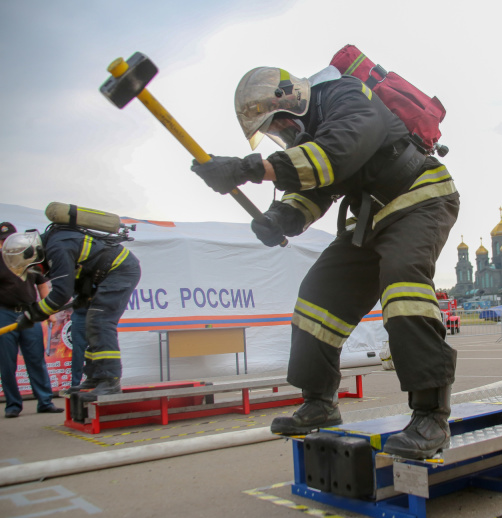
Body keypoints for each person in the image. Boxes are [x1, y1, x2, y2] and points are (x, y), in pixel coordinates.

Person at [191, 65, 459, 459]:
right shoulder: (310, 134)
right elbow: (316, 187)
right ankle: (319, 402)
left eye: (278, 123)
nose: (280, 134)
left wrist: (249, 169)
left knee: (403, 286)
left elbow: (337, 153)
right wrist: (280, 218)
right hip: (369, 218)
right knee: (316, 299)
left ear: (291, 98)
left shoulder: (345, 95)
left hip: (419, 198)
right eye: (272, 131)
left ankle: (431, 416)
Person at [2, 224, 141, 396]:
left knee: (100, 321)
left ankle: (110, 380)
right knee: (92, 323)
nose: (39, 270)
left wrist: (32, 314)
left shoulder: (56, 248)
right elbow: (77, 273)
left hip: (120, 270)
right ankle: (96, 376)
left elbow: (60, 294)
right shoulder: (54, 243)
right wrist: (82, 294)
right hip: (103, 273)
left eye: (34, 267)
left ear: (34, 253)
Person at [0, 222, 64, 418]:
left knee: (36, 359)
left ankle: (45, 401)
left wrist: (49, 311)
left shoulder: (29, 257)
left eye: (7, 239)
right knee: (7, 363)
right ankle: (12, 405)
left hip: (31, 314)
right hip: (4, 313)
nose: (4, 243)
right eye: (1, 240)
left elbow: (43, 285)